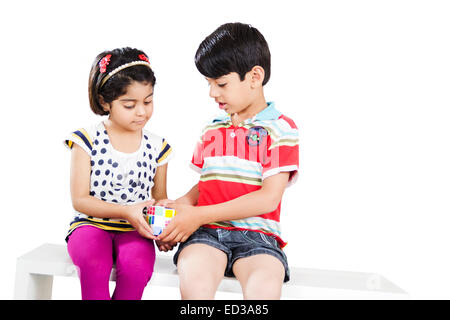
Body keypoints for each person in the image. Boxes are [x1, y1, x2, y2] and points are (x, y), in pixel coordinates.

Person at [156, 23, 299, 299]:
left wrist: (196, 215)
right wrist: (178, 209)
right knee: (195, 283)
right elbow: (206, 185)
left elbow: (268, 199)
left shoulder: (282, 129)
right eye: (209, 84)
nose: (212, 93)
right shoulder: (212, 129)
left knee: (264, 289)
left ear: (255, 76)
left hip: (258, 237)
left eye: (221, 84)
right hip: (207, 234)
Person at [63, 47, 173, 300]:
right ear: (105, 102)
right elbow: (80, 200)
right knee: (94, 265)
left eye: (148, 101)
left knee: (137, 269)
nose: (142, 112)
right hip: (90, 225)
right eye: (129, 104)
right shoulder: (86, 140)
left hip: (135, 231)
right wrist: (126, 211)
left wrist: (162, 231)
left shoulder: (159, 147)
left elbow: (159, 199)